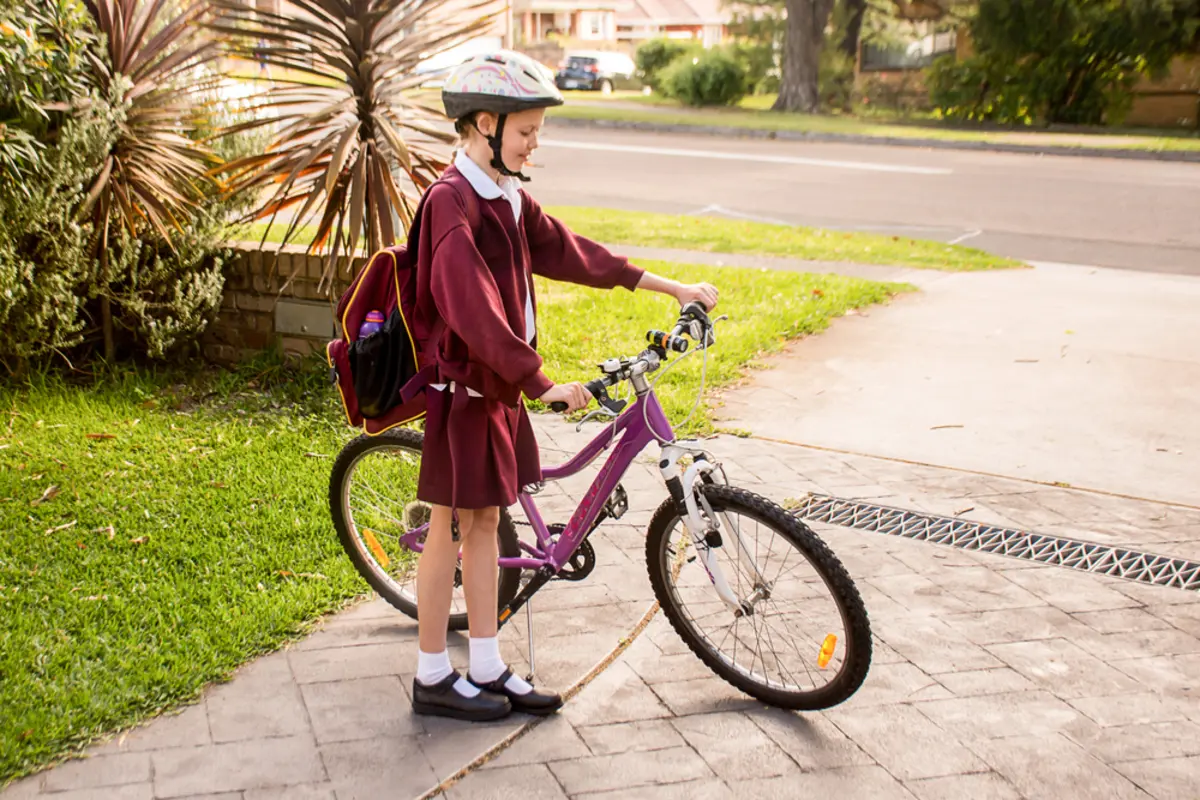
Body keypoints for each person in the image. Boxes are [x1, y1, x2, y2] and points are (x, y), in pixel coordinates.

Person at [410, 50, 719, 721]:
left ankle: (486, 665)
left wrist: (669, 286)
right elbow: (471, 311)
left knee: (486, 522)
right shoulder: (450, 203)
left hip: (492, 394)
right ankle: (432, 674)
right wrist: (542, 382)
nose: (534, 144)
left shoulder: (505, 197)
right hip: (465, 392)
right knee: (450, 527)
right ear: (483, 125)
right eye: (525, 132)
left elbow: (574, 252)